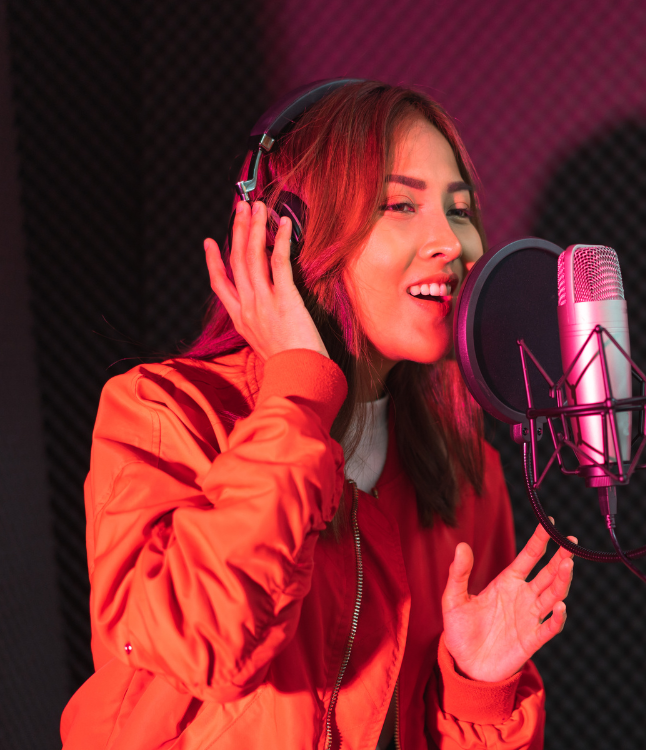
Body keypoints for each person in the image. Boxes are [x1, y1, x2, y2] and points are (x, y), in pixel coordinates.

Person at [60, 81, 575, 749]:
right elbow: (200, 645)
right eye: (399, 205)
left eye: (460, 210)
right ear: (290, 232)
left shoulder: (466, 477)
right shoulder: (165, 413)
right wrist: (298, 392)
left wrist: (478, 685)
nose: (450, 241)